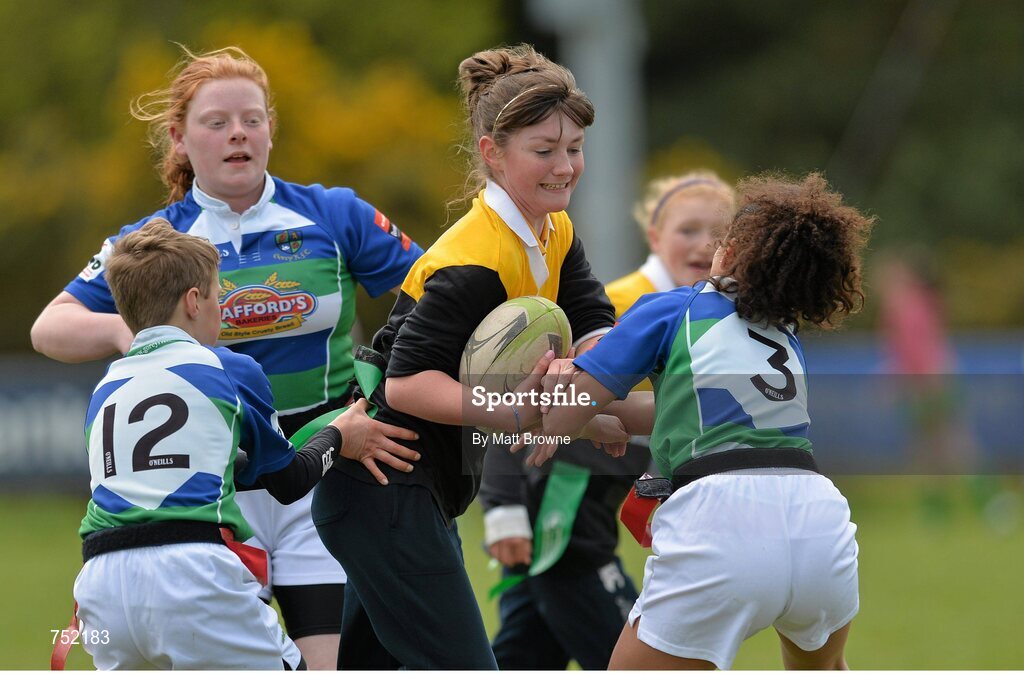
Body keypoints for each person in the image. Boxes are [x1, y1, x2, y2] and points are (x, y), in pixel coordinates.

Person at [30, 46, 422, 669]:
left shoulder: (334, 214)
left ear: (270, 130)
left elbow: (433, 292)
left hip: (322, 469)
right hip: (215, 487)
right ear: (179, 139)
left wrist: (389, 378)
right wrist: (129, 334)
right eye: (216, 122)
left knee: (329, 661)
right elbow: (49, 327)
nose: (238, 133)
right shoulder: (155, 245)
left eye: (252, 119)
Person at [311, 43, 628, 669]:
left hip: (411, 495)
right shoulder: (477, 260)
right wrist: (523, 414)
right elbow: (406, 386)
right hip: (383, 493)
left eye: (574, 148)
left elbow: (595, 320)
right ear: (492, 152)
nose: (565, 166)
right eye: (544, 150)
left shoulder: (553, 230)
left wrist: (581, 389)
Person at [533, 172, 872, 670]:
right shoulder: (784, 335)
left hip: (723, 521)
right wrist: (597, 415)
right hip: (820, 521)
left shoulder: (673, 308)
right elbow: (682, 411)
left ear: (730, 249)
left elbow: (565, 412)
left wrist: (547, 391)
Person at [73, 220, 418, 669]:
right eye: (217, 297)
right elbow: (289, 481)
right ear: (193, 302)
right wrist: (340, 435)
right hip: (189, 573)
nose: (221, 310)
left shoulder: (106, 385)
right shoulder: (229, 367)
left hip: (100, 584)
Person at [475, 169, 738, 670]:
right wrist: (502, 504)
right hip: (563, 497)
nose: (704, 244)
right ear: (654, 236)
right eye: (688, 229)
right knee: (633, 649)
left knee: (525, 651)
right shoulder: (619, 305)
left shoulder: (716, 315)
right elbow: (521, 394)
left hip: (599, 503)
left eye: (718, 233)